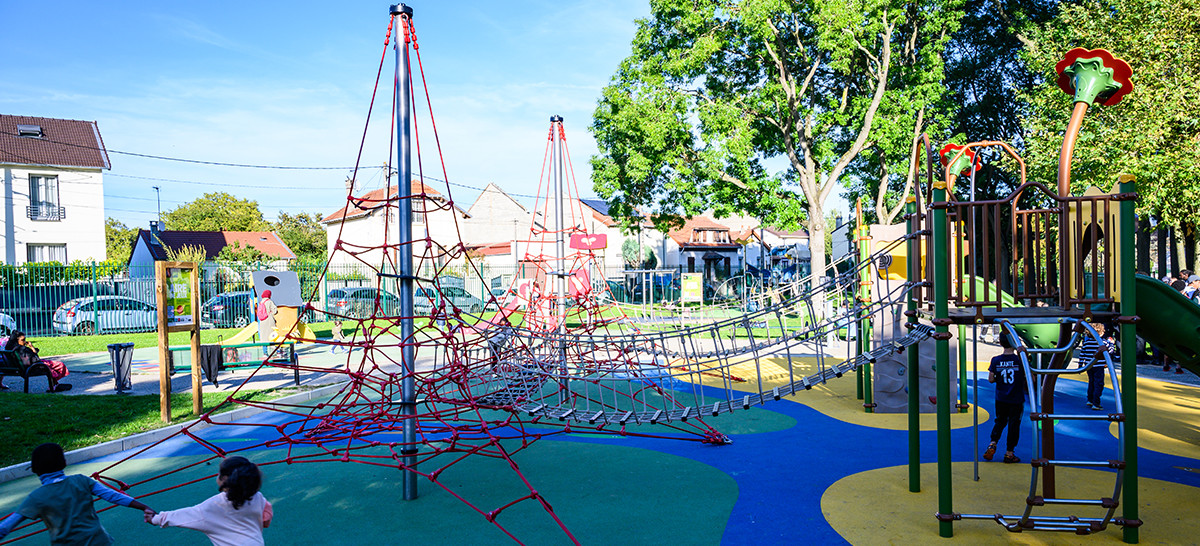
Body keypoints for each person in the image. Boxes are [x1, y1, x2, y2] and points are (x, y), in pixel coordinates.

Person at [0, 443, 156, 543]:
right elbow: (112, 495)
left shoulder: (36, 498)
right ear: (64, 463)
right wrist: (143, 507)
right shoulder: (81, 481)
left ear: (35, 470)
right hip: (99, 541)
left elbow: (6, 527)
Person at [147, 456, 272, 546]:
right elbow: (266, 518)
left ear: (223, 479)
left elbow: (180, 516)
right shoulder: (257, 497)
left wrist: (154, 519)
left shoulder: (213, 506)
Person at [984, 333, 1025, 464]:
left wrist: (999, 379)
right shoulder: (1020, 360)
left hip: (1001, 397)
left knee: (1000, 421)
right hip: (1016, 398)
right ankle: (1009, 452)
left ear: (1000, 343)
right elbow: (1031, 378)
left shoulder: (996, 360)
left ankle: (993, 443)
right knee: (1014, 424)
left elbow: (990, 379)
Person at [2, 331, 71, 392]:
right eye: (23, 340)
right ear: (17, 341)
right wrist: (31, 347)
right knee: (58, 365)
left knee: (52, 366)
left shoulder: (10, 348)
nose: (25, 342)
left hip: (21, 368)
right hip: (32, 367)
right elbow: (35, 358)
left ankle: (54, 384)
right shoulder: (22, 350)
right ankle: (53, 385)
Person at [1083, 323, 1115, 410]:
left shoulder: (1086, 342)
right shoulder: (1102, 342)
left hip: (1089, 366)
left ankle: (1090, 400)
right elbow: (1110, 351)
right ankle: (1096, 403)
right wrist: (1111, 343)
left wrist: (1081, 364)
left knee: (1091, 382)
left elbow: (1082, 354)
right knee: (1099, 384)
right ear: (1100, 333)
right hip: (1099, 366)